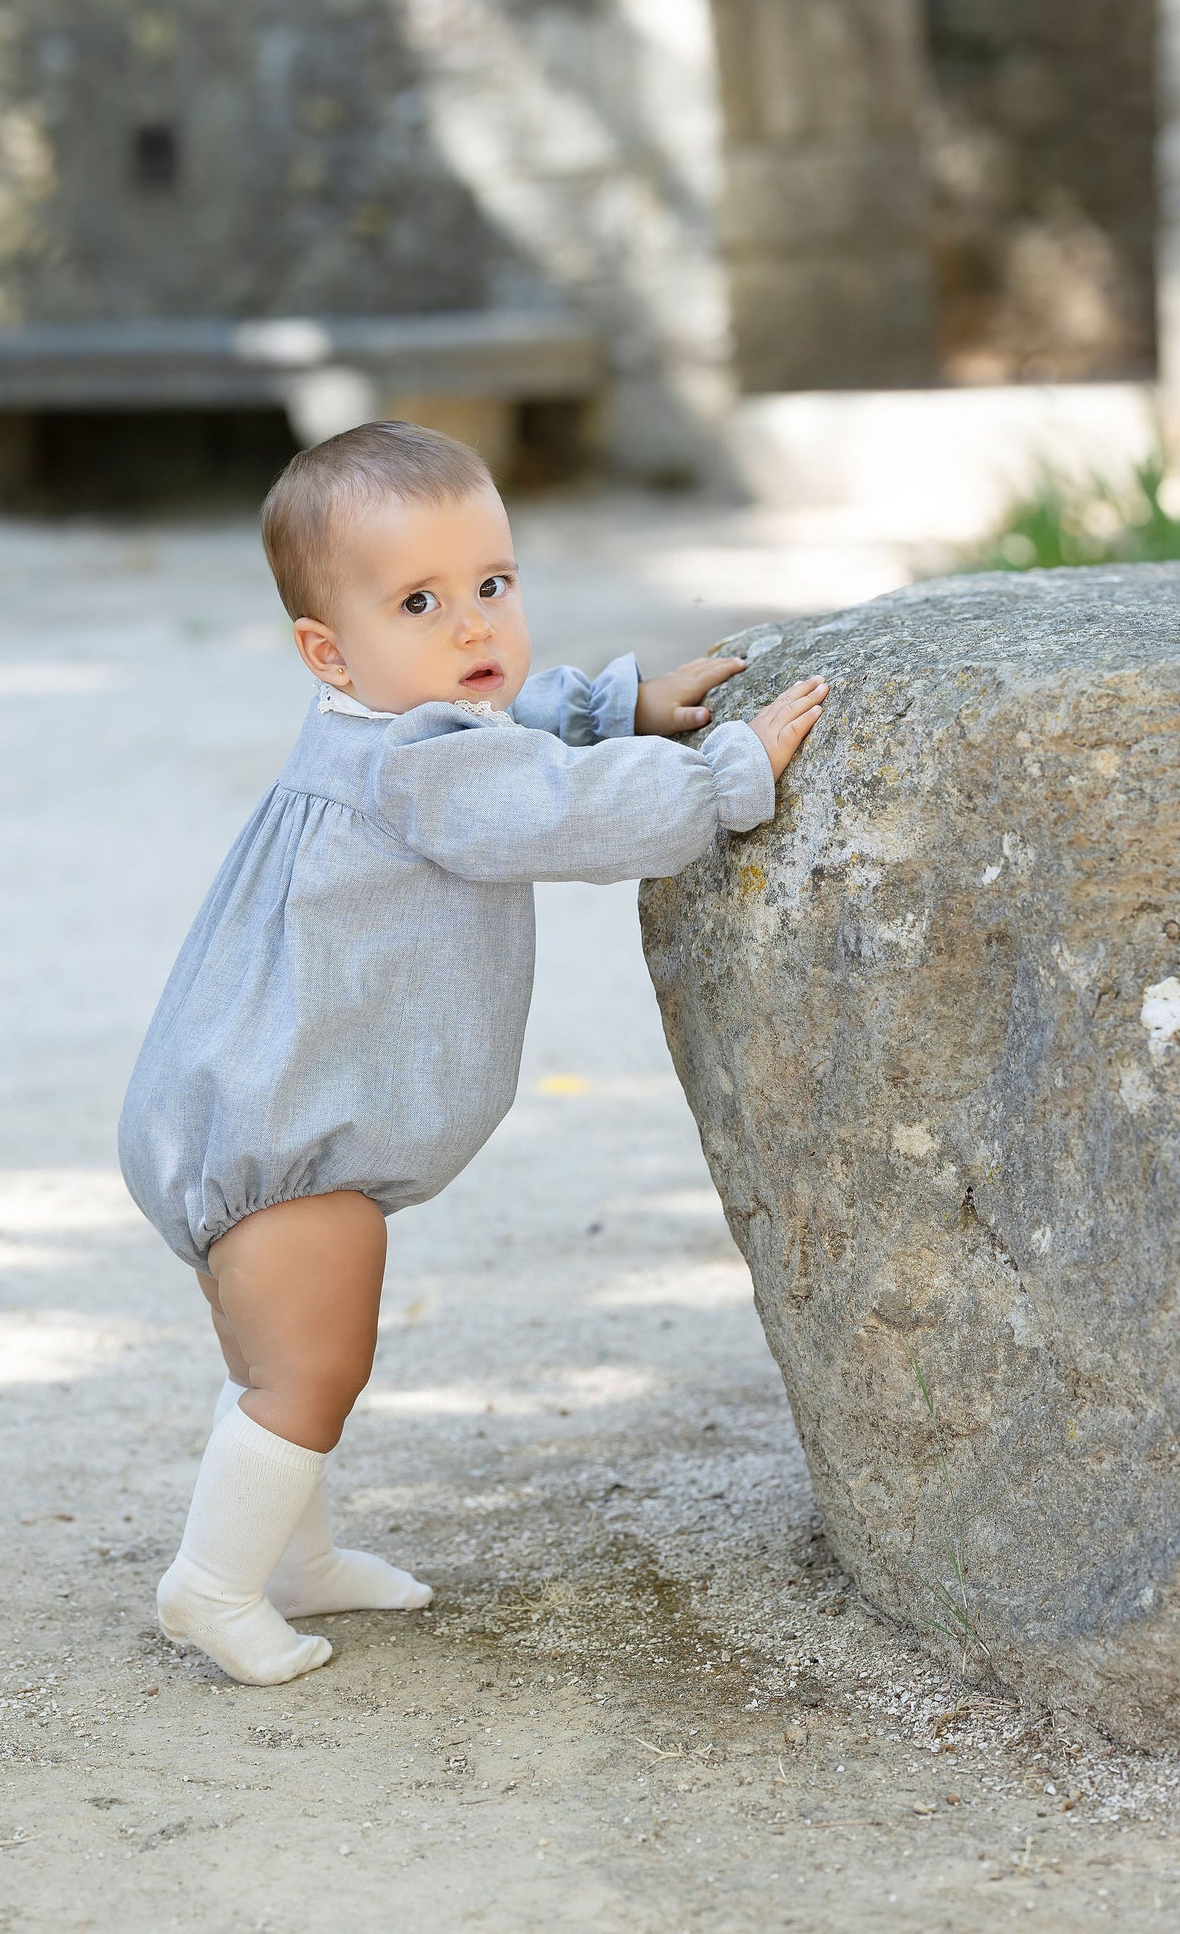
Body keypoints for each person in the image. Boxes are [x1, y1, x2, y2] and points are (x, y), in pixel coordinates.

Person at [118, 421, 827, 1685]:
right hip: (283, 1143)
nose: (472, 628)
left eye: (492, 584)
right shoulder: (423, 773)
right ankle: (210, 1586)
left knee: (283, 1361)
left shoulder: (397, 726)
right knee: (314, 1366)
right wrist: (717, 770)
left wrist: (620, 703)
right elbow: (554, 804)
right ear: (328, 649)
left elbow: (506, 726)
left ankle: (290, 1551)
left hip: (248, 1110)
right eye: (419, 601)